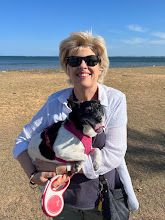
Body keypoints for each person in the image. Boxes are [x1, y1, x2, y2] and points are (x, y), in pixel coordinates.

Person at [13, 31, 138, 220]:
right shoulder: (56, 102)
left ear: (101, 66)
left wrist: (61, 168)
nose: (83, 66)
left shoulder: (114, 100)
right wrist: (32, 175)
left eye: (91, 60)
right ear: (67, 68)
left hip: (102, 200)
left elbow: (114, 154)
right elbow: (22, 141)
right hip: (63, 201)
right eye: (74, 61)